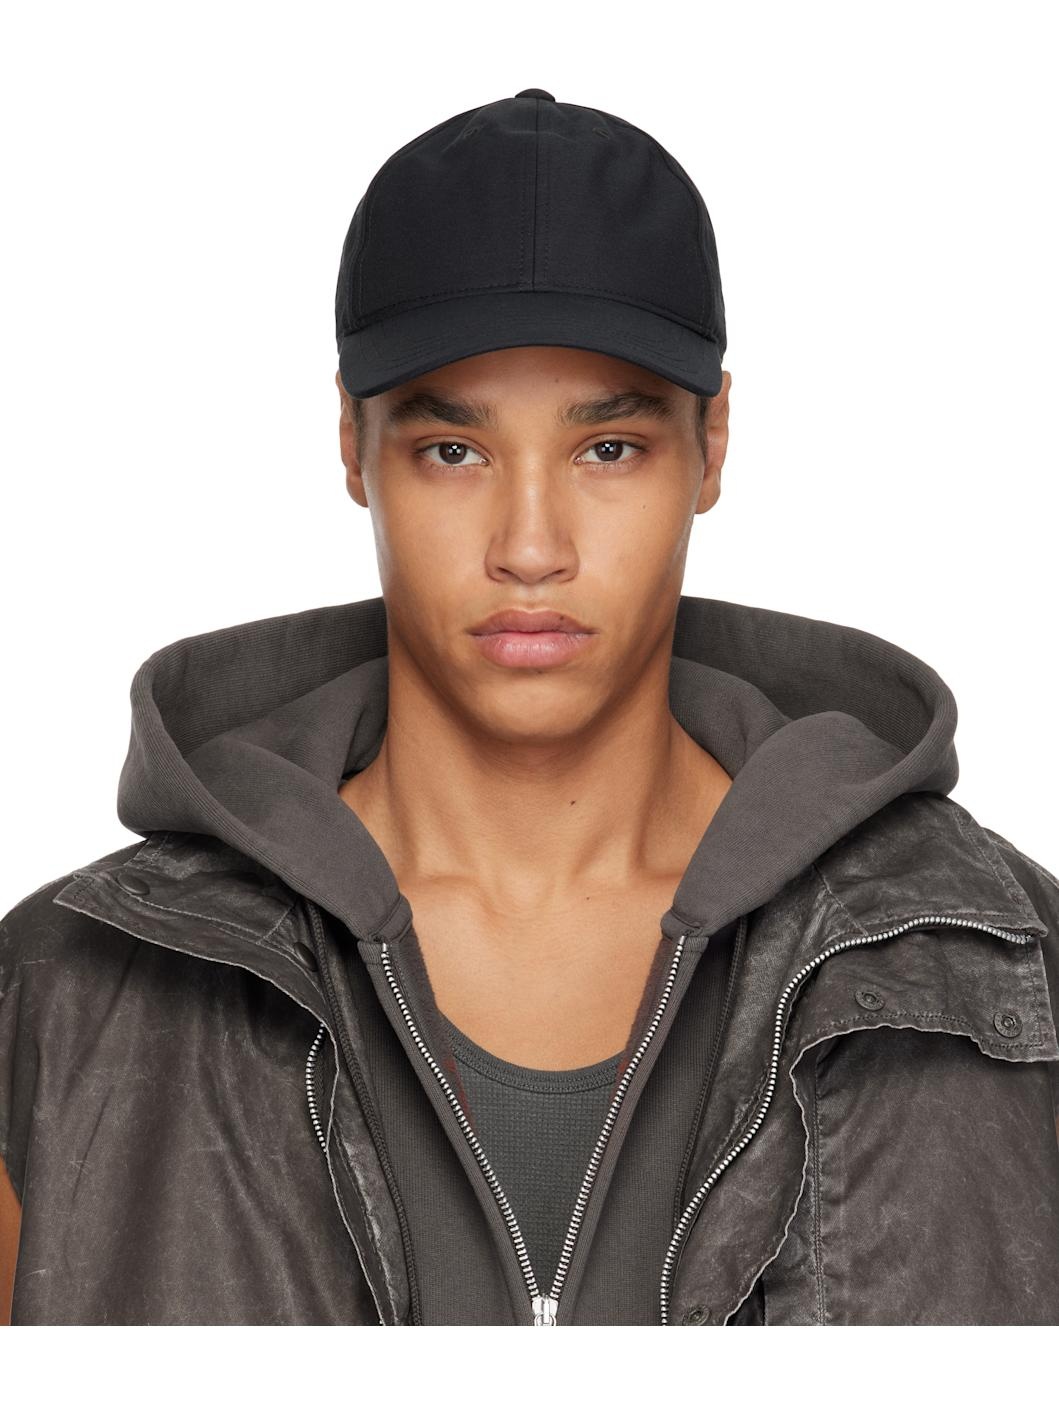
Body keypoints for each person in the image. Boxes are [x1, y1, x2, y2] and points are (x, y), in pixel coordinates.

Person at [2, 88, 1058, 1329]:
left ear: (713, 445)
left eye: (608, 448)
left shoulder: (1011, 966)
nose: (531, 544)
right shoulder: (61, 998)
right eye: (453, 450)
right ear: (351, 445)